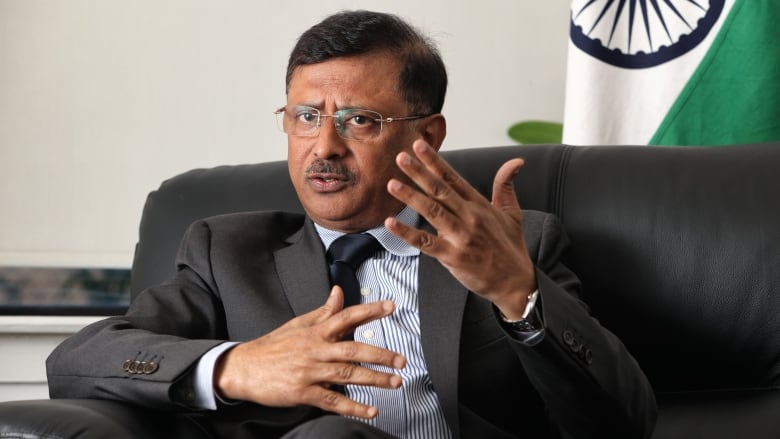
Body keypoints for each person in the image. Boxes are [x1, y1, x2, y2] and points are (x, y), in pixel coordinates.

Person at [47, 10, 657, 439]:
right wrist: (237, 367)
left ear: (427, 134)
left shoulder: (512, 246)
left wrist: (516, 292)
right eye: (306, 116)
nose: (324, 146)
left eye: (359, 120)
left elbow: (623, 422)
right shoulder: (228, 253)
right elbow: (78, 362)